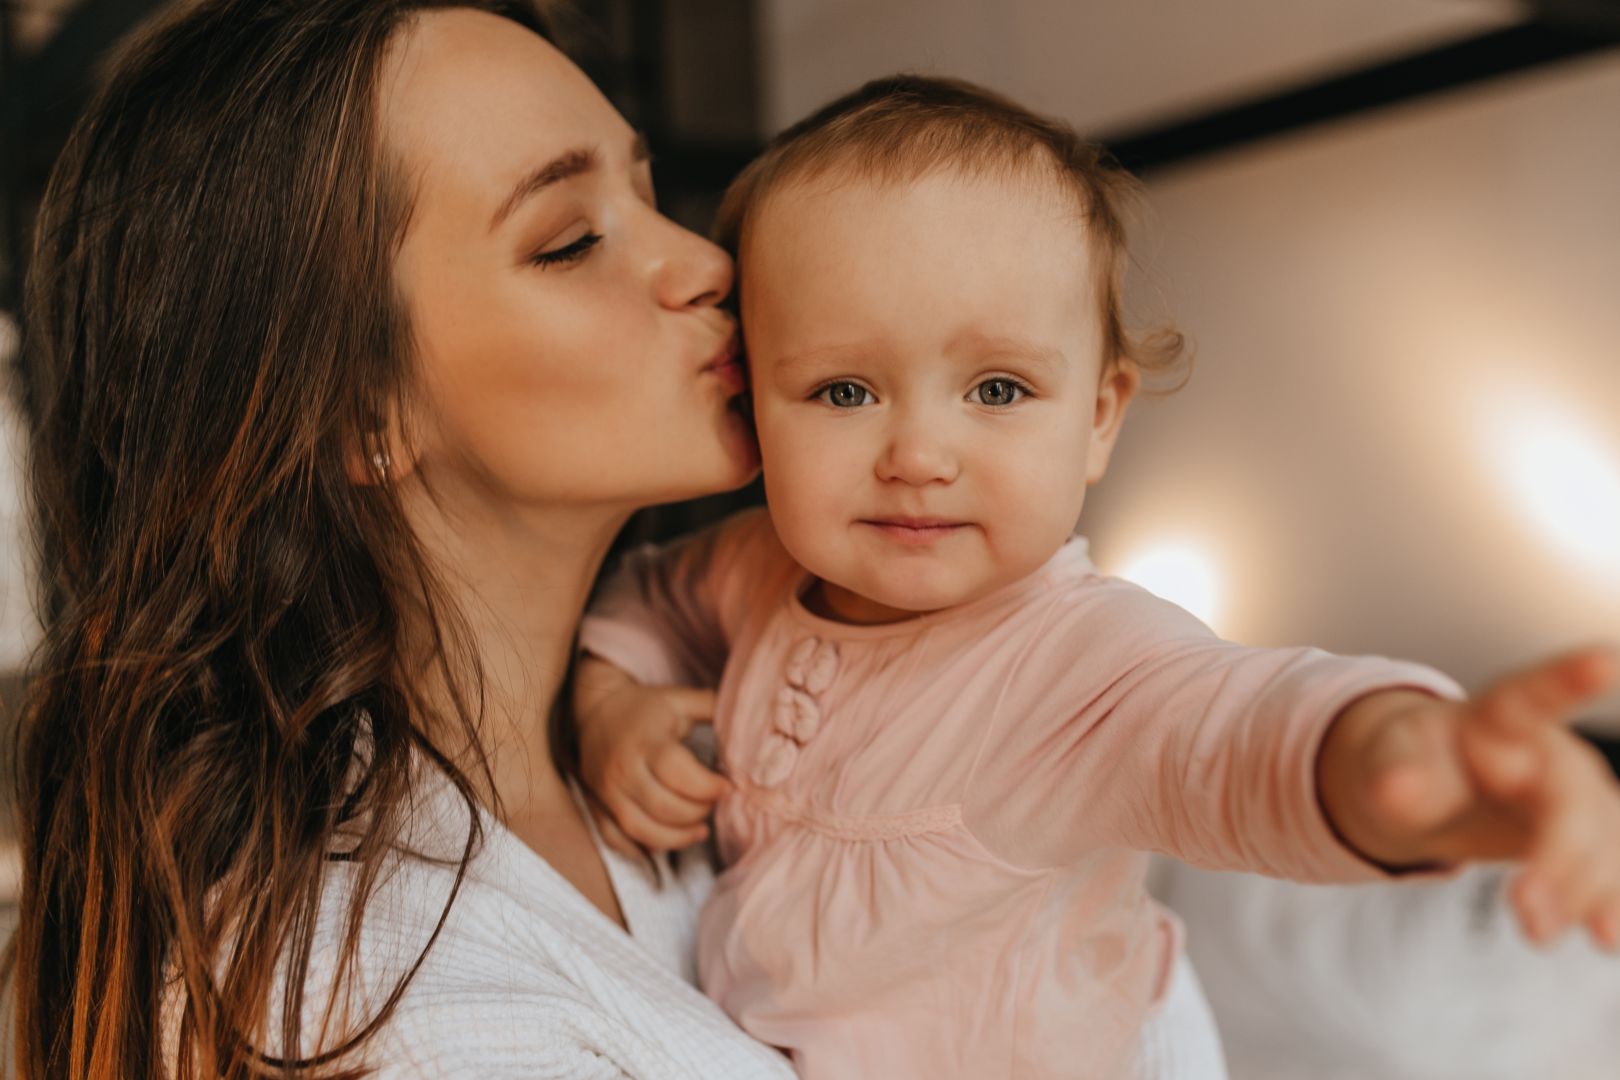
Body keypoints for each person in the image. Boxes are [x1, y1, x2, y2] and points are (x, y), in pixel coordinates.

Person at [571, 76, 1620, 1080]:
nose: (919, 454)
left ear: (1099, 418)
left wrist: (1398, 760)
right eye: (844, 390)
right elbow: (649, 597)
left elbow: (1240, 727)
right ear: (755, 398)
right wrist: (613, 693)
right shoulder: (753, 566)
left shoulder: (1080, 662)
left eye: (997, 387)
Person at [8, 1, 796, 1076]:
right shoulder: (377, 1010)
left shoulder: (691, 715)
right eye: (569, 242)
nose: (702, 263)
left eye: (648, 193)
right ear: (358, 410)